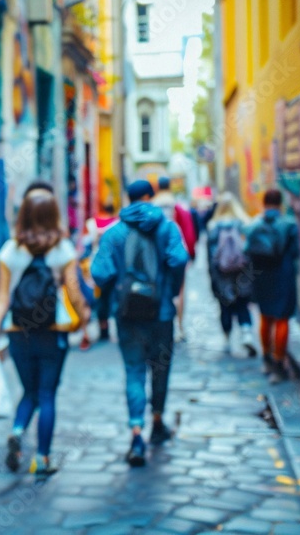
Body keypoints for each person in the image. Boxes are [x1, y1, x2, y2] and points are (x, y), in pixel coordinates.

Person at [0, 187, 90, 476]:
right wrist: (83, 321)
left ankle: (18, 430)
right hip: (52, 332)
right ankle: (42, 459)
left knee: (28, 390)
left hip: (18, 331)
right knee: (47, 395)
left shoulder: (10, 251)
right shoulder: (63, 250)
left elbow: (2, 297)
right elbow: (74, 291)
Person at [91, 179, 188, 467]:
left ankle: (136, 433)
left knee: (134, 371)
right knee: (160, 369)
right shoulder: (168, 228)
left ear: (129, 197)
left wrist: (112, 299)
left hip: (127, 315)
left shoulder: (114, 233)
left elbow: (100, 273)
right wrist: (170, 289)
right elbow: (179, 259)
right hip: (161, 314)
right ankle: (157, 421)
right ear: (150, 196)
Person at [247, 189, 300, 383]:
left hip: (262, 277)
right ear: (280, 203)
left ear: (264, 202)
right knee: (282, 319)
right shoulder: (289, 224)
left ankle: (266, 358)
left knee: (265, 317)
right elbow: (295, 253)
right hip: (283, 275)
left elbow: (247, 251)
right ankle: (279, 363)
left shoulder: (254, 225)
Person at [206, 193, 256, 356]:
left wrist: (212, 277)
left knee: (225, 306)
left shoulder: (213, 226)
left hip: (221, 274)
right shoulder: (244, 223)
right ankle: (247, 333)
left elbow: (210, 255)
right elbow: (250, 250)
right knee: (242, 304)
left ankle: (227, 339)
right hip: (242, 272)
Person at [152, 176, 195, 341]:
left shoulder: (152, 207)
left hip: (156, 254)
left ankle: (159, 323)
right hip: (176, 253)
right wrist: (190, 254)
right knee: (179, 291)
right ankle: (178, 327)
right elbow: (189, 234)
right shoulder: (178, 207)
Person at [82, 203, 121, 346]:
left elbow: (85, 244)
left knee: (100, 298)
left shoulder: (92, 223)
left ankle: (102, 329)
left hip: (96, 266)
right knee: (113, 297)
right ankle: (113, 328)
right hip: (113, 265)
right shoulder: (117, 223)